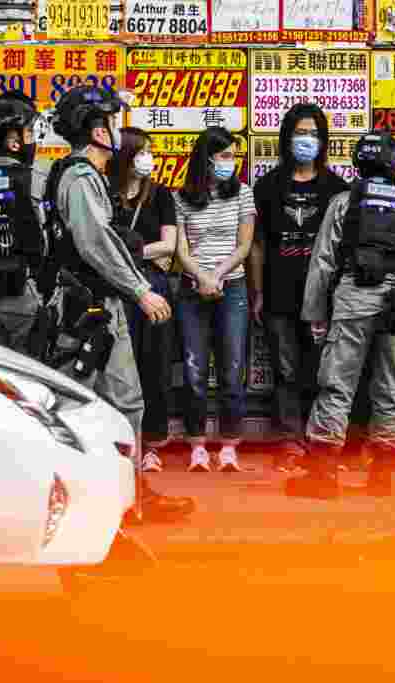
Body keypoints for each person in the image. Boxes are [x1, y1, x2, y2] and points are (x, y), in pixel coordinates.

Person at [47, 85, 192, 521]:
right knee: (81, 407)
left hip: (97, 306)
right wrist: (140, 290)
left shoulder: (83, 176)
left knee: (125, 403)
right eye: (113, 121)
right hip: (86, 310)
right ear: (97, 131)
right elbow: (95, 243)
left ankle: (128, 497)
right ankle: (89, 502)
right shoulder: (79, 178)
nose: (117, 129)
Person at [287, 131, 395, 498]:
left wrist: (316, 313)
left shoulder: (345, 202)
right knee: (392, 388)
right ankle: (382, 478)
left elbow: (323, 262)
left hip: (353, 297)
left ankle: (323, 477)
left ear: (359, 163)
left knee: (337, 384)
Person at [249, 104, 349, 471]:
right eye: (299, 133)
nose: (306, 140)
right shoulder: (268, 186)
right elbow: (257, 245)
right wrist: (258, 292)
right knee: (286, 372)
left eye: (313, 134)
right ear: (287, 138)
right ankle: (290, 444)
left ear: (323, 141)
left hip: (323, 297)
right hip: (279, 293)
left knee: (323, 372)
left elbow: (344, 249)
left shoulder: (337, 189)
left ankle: (321, 444)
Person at [173, 127, 255, 473]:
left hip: (231, 287)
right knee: (194, 370)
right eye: (224, 156)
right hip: (191, 289)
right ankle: (197, 446)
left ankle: (229, 446)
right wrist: (201, 278)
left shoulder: (243, 194)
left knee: (232, 368)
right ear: (205, 159)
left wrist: (217, 275)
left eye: (232, 156)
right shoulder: (181, 197)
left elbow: (244, 246)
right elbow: (181, 250)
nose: (229, 162)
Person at [112, 127, 178, 474]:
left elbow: (170, 245)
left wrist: (128, 252)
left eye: (149, 152)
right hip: (118, 288)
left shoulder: (161, 195)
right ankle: (123, 443)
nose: (148, 158)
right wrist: (145, 253)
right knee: (122, 366)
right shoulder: (107, 194)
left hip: (154, 286)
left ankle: (153, 443)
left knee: (156, 364)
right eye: (141, 152)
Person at [0, 90, 45, 354]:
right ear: (14, 143)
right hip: (24, 296)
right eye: (29, 135)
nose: (33, 142)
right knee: (31, 371)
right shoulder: (37, 178)